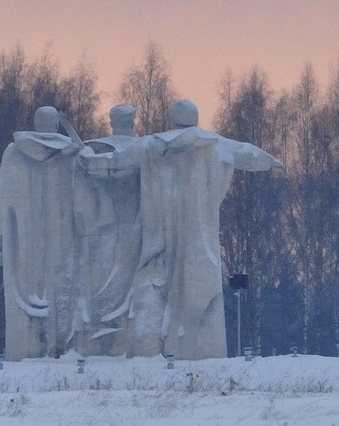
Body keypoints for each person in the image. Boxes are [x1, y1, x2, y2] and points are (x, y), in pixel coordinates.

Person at [79, 99, 279, 360]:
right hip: (196, 235)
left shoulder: (152, 144)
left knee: (154, 285)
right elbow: (249, 154)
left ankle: (151, 347)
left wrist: (90, 160)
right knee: (193, 285)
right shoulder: (215, 145)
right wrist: (272, 162)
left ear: (172, 118)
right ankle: (186, 344)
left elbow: (116, 160)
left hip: (158, 235)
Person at [0, 106, 83, 359]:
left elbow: (1, 198)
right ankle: (59, 347)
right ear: (55, 126)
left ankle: (23, 349)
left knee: (22, 292)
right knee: (61, 289)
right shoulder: (70, 155)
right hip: (61, 237)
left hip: (21, 242)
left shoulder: (14, 153)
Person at [77, 104, 145, 355]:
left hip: (115, 219)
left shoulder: (95, 147)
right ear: (132, 121)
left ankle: (106, 319)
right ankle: (101, 320)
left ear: (111, 121)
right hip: (116, 219)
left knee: (111, 268)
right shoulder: (140, 147)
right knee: (116, 267)